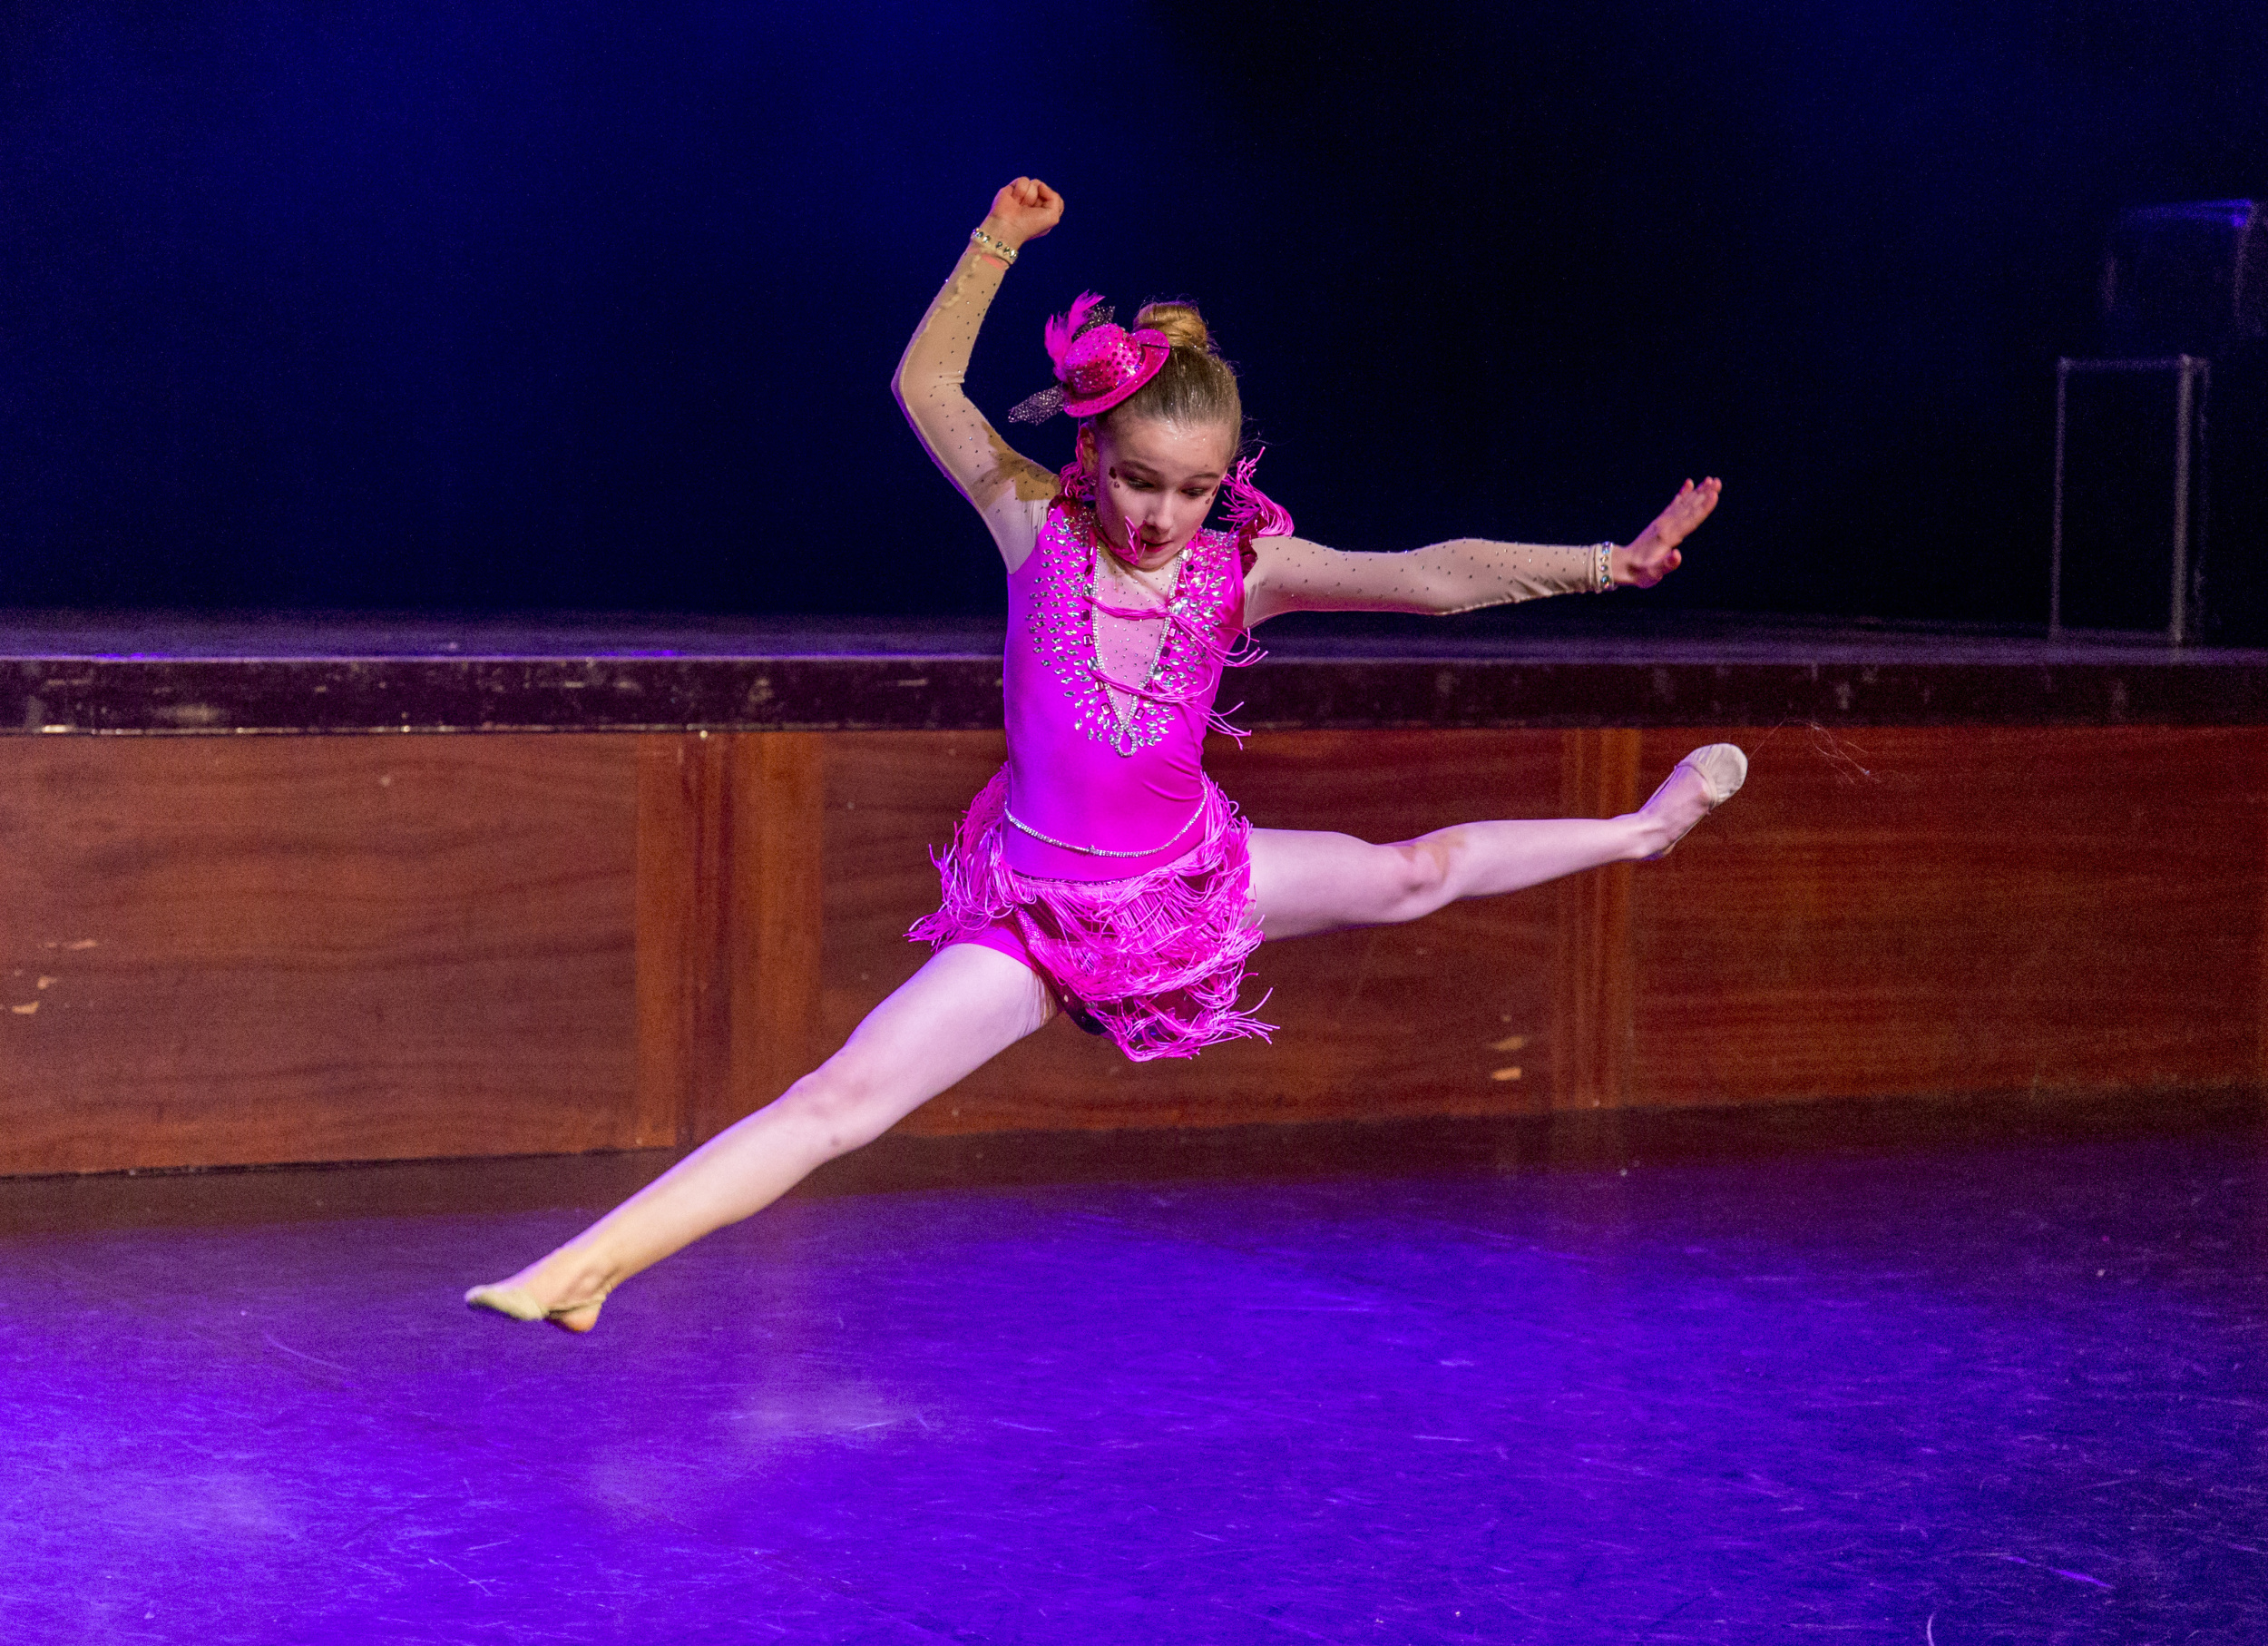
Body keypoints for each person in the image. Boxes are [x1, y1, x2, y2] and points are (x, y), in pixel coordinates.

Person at [465, 177, 1742, 1331]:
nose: (1161, 515)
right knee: (840, 1099)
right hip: (1034, 909)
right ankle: (586, 1269)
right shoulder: (1036, 526)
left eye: (1193, 491)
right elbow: (928, 391)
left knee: (1416, 872)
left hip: (1187, 877)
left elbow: (1428, 575)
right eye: (1138, 481)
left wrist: (1605, 564)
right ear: (1091, 451)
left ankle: (1646, 831)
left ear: (1224, 482)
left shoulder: (1244, 571)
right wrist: (994, 244)